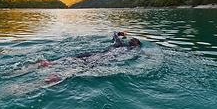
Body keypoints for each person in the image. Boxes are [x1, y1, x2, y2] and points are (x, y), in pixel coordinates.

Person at [13, 31, 141, 76]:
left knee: (56, 62)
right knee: (66, 72)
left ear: (128, 41)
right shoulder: (130, 51)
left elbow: (114, 33)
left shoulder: (118, 42)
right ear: (135, 47)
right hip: (101, 60)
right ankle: (29, 87)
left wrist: (121, 34)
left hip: (92, 53)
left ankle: (22, 70)